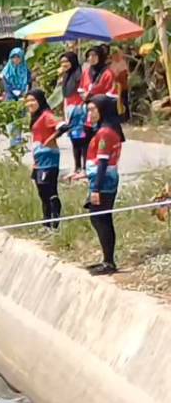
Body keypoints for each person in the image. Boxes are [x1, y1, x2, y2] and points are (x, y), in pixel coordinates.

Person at [79, 95, 124, 276]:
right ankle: (106, 259)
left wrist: (95, 189)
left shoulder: (106, 132)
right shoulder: (103, 130)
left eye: (93, 109)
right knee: (98, 219)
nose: (90, 113)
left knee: (101, 220)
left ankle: (109, 262)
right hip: (100, 180)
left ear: (103, 110)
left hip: (104, 183)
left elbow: (104, 163)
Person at [26, 89, 62, 231]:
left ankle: (55, 222)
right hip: (39, 159)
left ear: (40, 101)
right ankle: (46, 222)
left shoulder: (46, 115)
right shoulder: (36, 116)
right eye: (28, 101)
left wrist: (51, 138)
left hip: (49, 158)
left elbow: (62, 126)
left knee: (49, 190)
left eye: (33, 100)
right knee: (41, 191)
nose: (30, 103)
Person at [59, 51, 88, 177]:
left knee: (82, 139)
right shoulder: (66, 76)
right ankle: (77, 167)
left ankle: (85, 168)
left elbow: (83, 91)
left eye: (66, 61)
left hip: (79, 109)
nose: (64, 64)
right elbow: (66, 95)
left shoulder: (79, 74)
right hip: (70, 109)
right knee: (74, 140)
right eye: (62, 62)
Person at [111, 47, 131, 121]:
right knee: (116, 102)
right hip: (115, 86)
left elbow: (126, 73)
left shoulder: (123, 63)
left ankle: (126, 118)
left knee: (124, 101)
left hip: (123, 86)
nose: (115, 57)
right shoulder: (112, 64)